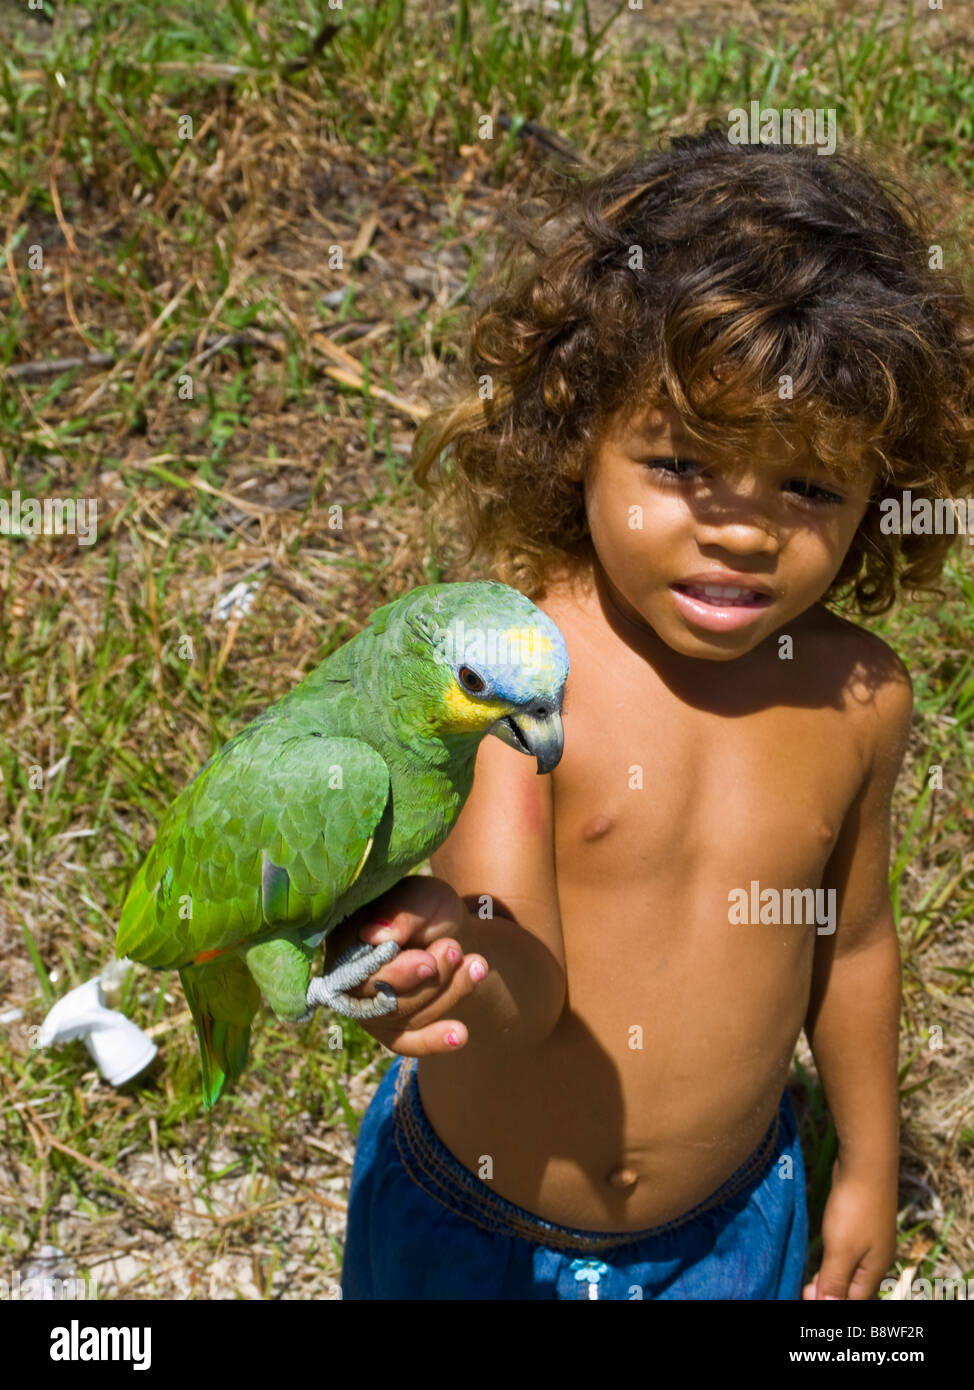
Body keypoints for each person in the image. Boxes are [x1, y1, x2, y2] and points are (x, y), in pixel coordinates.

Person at [334, 124, 974, 1300]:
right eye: (680, 465)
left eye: (807, 484)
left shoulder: (858, 698)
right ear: (577, 433)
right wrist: (445, 967)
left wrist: (866, 1167)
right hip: (480, 1236)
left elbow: (854, 940)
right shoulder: (515, 676)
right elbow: (516, 983)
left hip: (734, 1228)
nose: (739, 527)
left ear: (878, 492)